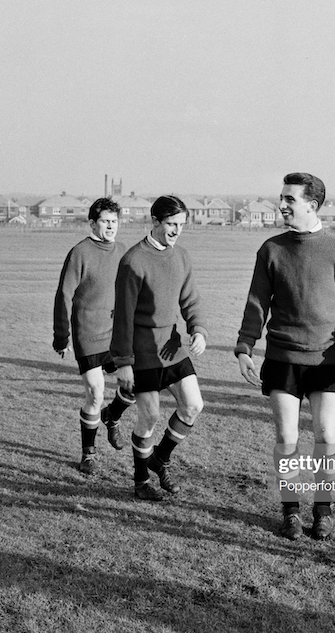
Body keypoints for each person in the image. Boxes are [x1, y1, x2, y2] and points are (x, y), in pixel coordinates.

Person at [235, 173, 335, 541]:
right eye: (281, 197)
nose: (281, 204)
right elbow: (256, 303)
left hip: (327, 360)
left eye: (289, 199)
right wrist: (245, 347)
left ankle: (323, 511)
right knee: (287, 438)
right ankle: (291, 512)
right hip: (282, 358)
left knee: (326, 437)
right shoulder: (271, 249)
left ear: (312, 205)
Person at [111, 195, 207, 501]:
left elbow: (190, 299)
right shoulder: (133, 261)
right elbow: (123, 316)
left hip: (172, 346)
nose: (177, 231)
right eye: (171, 224)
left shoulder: (182, 257)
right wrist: (124, 361)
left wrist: (198, 329)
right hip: (142, 352)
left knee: (193, 405)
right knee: (149, 416)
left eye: (181, 225)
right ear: (154, 222)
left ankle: (160, 459)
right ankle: (141, 480)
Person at [53, 197, 135, 474]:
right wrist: (61, 336)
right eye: (105, 221)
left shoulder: (124, 251)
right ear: (92, 223)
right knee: (95, 392)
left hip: (117, 333)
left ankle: (112, 416)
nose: (111, 226)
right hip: (87, 332)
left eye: (114, 221)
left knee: (133, 384)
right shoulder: (80, 252)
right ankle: (88, 454)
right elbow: (64, 295)